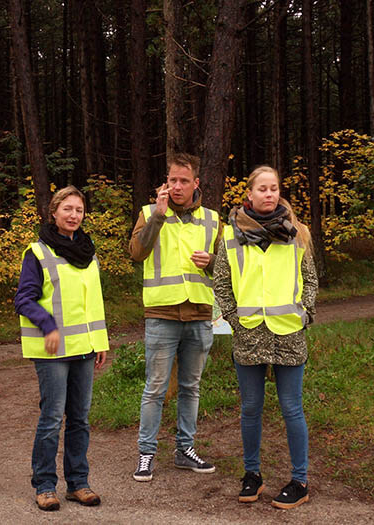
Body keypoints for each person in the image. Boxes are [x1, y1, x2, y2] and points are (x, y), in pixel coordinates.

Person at [213, 165, 318, 509]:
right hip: (249, 335)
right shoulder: (229, 236)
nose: (269, 194)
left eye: (274, 188)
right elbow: (222, 283)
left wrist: (305, 314)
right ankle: (252, 475)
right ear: (249, 194)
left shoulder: (298, 232)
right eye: (262, 188)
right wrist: (234, 320)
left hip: (289, 333)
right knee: (251, 408)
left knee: (291, 408)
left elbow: (311, 280)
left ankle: (299, 480)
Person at [129, 153, 223, 482]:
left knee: (191, 387)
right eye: (172, 180)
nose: (177, 186)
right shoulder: (149, 213)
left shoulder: (212, 219)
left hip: (199, 314)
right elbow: (137, 253)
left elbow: (228, 268)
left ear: (196, 183)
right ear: (165, 181)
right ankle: (146, 454)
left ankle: (185, 450)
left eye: (184, 180)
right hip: (162, 314)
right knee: (155, 388)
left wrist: (211, 261)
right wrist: (157, 216)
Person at [15, 186, 108, 512]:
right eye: (67, 209)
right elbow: (23, 299)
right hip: (52, 351)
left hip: (85, 348)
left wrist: (100, 342)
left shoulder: (89, 253)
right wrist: (48, 325)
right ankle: (44, 485)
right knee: (52, 418)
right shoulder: (38, 253)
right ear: (53, 212)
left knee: (80, 419)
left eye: (79, 210)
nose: (73, 215)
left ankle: (78, 484)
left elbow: (92, 303)